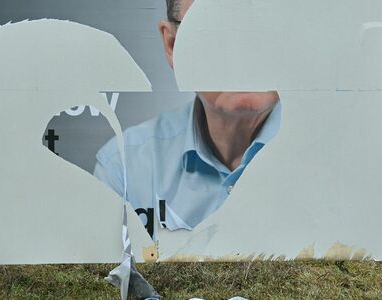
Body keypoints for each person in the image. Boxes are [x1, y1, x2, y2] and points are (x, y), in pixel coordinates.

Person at [93, 0, 280, 234]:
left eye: (264, 24)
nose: (243, 51)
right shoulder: (125, 169)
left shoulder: (337, 161)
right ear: (173, 45)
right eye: (214, 29)